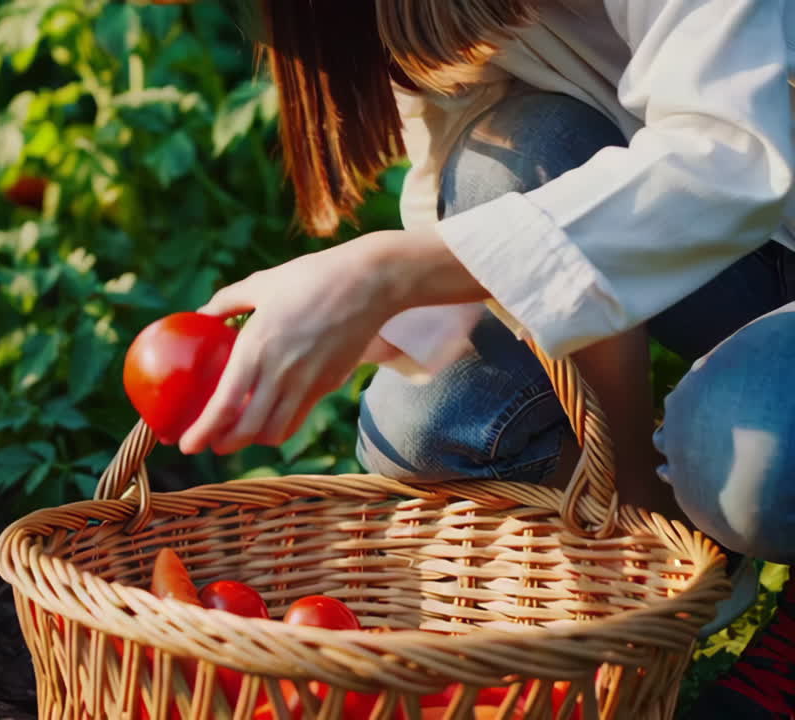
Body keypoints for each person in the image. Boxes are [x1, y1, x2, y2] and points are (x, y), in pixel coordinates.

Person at [168, 2, 795, 717]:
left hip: (739, 193)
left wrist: (384, 275)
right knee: (435, 425)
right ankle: (641, 530)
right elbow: (466, 175)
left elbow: (732, 160)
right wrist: (396, 317)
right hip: (722, 254)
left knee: (756, 454)